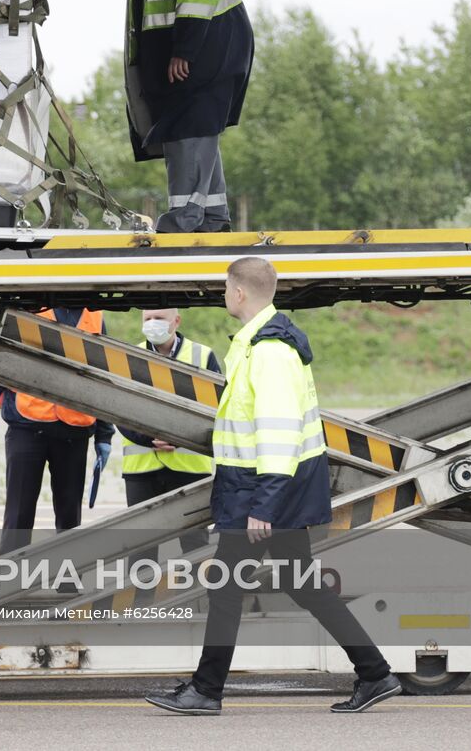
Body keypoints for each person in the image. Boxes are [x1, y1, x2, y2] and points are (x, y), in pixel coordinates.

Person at [144, 257, 401, 715]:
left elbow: (279, 433)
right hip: (264, 490)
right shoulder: (253, 345)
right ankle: (375, 673)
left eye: (226, 288)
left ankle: (206, 690)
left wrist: (264, 506)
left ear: (239, 293)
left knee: (225, 586)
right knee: (300, 583)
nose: (224, 295)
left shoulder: (269, 352)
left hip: (263, 494)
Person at [114, 0, 253, 234]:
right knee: (196, 126)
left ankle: (184, 220)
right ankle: (211, 217)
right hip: (186, 45)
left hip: (208, 43)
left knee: (187, 128)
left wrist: (184, 51)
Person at [0, 307, 115, 554]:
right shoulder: (31, 309)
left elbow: (102, 377)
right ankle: (10, 581)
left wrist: (104, 432)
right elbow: (4, 356)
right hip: (27, 426)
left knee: (69, 515)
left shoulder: (95, 318)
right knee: (19, 512)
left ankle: (68, 582)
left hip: (74, 430)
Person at [120, 308, 219, 507]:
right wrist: (149, 438)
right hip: (142, 469)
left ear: (176, 321)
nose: (152, 323)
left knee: (194, 538)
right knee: (143, 536)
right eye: (147, 319)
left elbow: (215, 410)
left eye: (159, 318)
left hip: (190, 469)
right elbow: (119, 409)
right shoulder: (129, 356)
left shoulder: (203, 355)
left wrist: (179, 437)